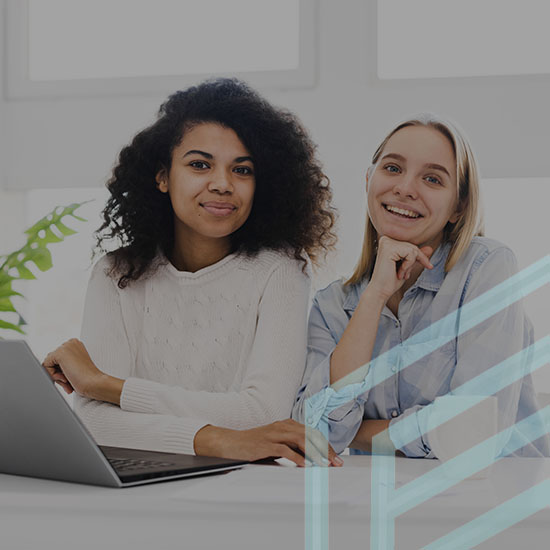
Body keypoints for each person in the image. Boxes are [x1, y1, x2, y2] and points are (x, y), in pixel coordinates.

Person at [43, 78, 342, 467]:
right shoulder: (115, 273)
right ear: (163, 176)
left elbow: (263, 414)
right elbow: (96, 422)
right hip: (134, 492)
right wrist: (222, 440)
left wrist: (105, 385)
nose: (222, 184)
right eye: (200, 164)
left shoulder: (282, 270)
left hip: (246, 487)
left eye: (243, 170)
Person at [292, 113, 550, 459]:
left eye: (432, 178)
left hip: (496, 496)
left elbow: (473, 432)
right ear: (369, 179)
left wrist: (355, 432)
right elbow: (313, 433)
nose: (405, 188)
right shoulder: (332, 305)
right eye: (393, 168)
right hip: (379, 500)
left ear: (458, 206)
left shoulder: (487, 268)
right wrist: (375, 297)